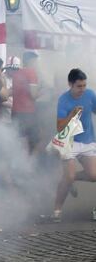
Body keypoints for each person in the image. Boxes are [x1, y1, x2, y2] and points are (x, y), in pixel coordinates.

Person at [51, 69, 96, 222]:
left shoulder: (90, 94)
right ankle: (57, 210)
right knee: (68, 175)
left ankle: (70, 181)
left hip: (88, 141)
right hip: (69, 142)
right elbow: (60, 128)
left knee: (93, 175)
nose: (82, 89)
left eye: (84, 86)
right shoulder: (64, 100)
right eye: (79, 86)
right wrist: (72, 114)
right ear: (70, 84)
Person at [12, 52, 40, 153]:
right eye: (36, 61)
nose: (37, 64)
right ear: (31, 61)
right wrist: (42, 94)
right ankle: (29, 165)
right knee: (33, 141)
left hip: (15, 112)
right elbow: (33, 94)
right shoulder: (31, 72)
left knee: (19, 140)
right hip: (27, 113)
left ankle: (19, 163)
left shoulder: (17, 73)